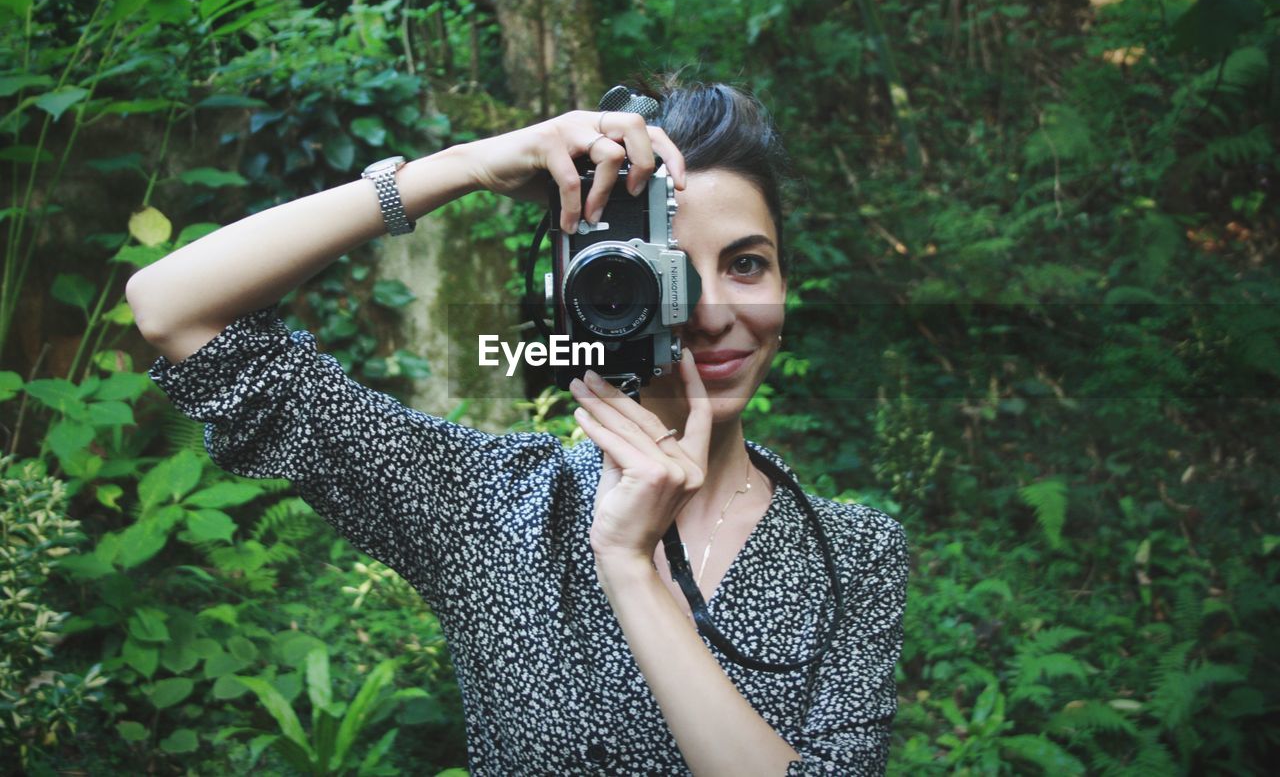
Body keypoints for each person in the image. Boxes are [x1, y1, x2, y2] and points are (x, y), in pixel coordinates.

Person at [127, 77, 908, 775]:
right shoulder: (488, 508)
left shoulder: (856, 555)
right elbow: (171, 308)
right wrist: (466, 165)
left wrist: (630, 567)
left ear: (785, 284)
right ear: (581, 292)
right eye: (666, 265)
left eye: (746, 264)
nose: (710, 312)